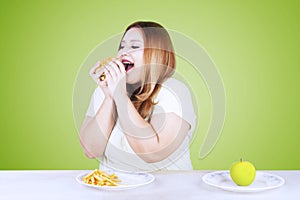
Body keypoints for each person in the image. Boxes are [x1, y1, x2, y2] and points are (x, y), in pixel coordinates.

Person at [79, 21, 196, 172]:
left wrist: (120, 96)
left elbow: (152, 153)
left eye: (135, 46)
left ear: (157, 54)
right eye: (122, 46)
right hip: (115, 189)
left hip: (167, 191)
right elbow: (91, 150)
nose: (123, 52)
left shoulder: (174, 91)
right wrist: (109, 97)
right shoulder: (106, 91)